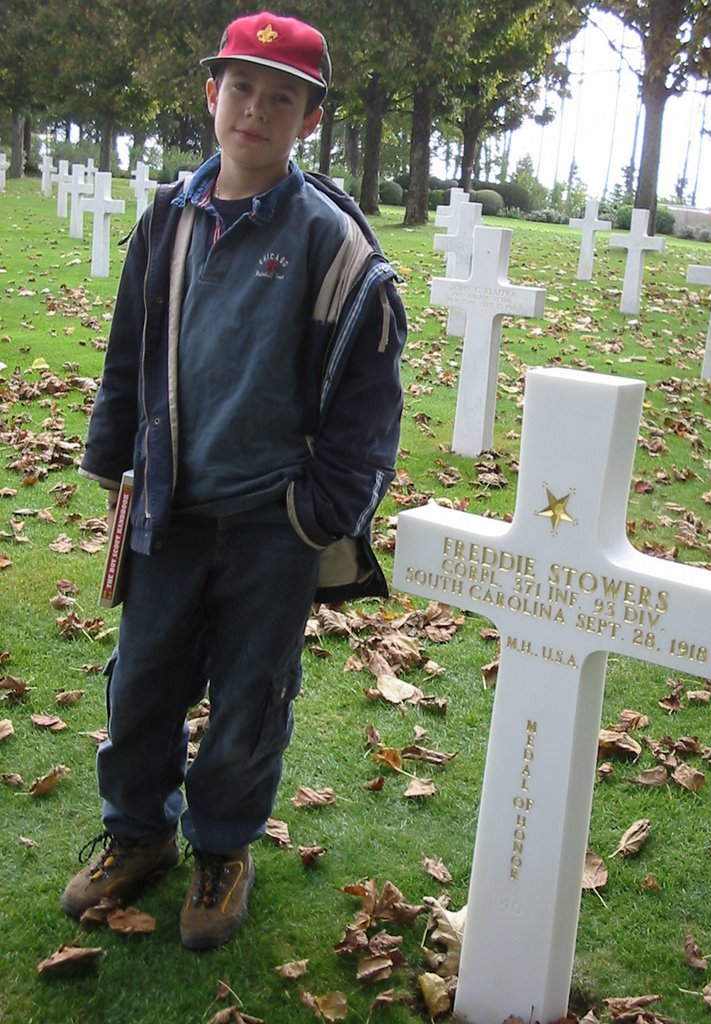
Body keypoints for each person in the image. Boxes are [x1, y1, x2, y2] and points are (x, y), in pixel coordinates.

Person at [62, 10, 406, 952]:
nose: (256, 109)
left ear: (310, 121)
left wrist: (316, 514)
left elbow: (369, 402)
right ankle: (136, 835)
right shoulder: (168, 218)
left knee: (251, 702)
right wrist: (114, 458)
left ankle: (221, 847)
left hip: (270, 528)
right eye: (242, 88)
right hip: (171, 507)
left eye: (282, 97)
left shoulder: (335, 247)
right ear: (213, 95)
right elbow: (129, 351)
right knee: (141, 683)